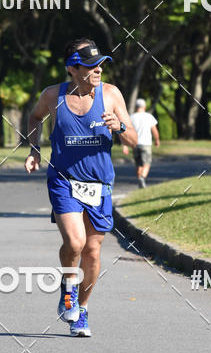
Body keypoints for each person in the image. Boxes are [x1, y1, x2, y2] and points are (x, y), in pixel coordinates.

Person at [24, 39, 137, 337]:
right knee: (74, 244)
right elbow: (35, 118)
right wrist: (34, 149)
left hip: (100, 184)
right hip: (64, 180)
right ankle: (67, 288)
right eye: (90, 66)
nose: (98, 70)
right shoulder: (52, 96)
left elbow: (134, 140)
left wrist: (120, 128)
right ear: (73, 69)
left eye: (100, 64)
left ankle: (82, 311)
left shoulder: (111, 95)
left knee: (93, 250)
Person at [130, 98, 160, 188]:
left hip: (135, 144)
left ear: (136, 107)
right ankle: (142, 177)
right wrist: (157, 140)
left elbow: (128, 131)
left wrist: (125, 145)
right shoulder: (149, 116)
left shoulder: (132, 117)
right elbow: (154, 130)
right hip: (146, 143)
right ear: (144, 107)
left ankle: (140, 181)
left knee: (138, 164)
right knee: (146, 163)